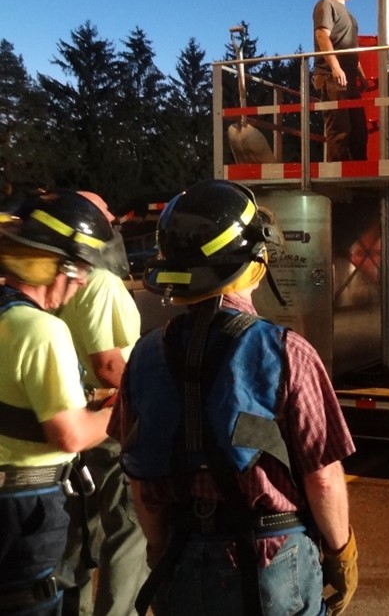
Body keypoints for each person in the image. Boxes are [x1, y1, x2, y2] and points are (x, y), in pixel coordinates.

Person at [111, 179, 358, 615]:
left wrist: (159, 550)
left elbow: (141, 479)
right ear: (255, 263)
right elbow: (322, 475)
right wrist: (342, 553)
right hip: (272, 561)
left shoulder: (144, 357)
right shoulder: (287, 351)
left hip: (182, 555)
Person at [0, 190, 117, 615]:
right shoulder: (40, 330)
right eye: (82, 267)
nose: (85, 280)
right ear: (59, 266)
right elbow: (71, 434)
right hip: (23, 508)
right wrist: (124, 407)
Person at [56, 192, 147, 616]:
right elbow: (110, 364)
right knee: (128, 529)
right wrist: (150, 393)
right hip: (108, 416)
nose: (114, 217)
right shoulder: (102, 282)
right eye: (104, 212)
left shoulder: (56, 279)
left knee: (78, 530)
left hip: (69, 415)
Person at [313, 0, 368, 162]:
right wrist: (335, 67)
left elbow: (350, 47)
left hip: (349, 79)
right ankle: (339, 184)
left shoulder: (350, 16)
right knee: (339, 132)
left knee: (359, 131)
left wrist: (360, 74)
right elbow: (322, 35)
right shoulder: (325, 5)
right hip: (331, 77)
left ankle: (360, 183)